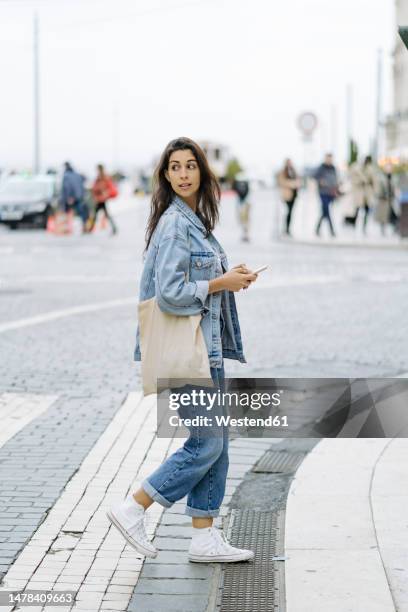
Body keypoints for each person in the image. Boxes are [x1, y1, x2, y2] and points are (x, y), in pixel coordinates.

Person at [107, 137, 258, 563]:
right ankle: (134, 506)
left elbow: (197, 279)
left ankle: (203, 538)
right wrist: (218, 284)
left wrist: (231, 277)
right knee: (206, 444)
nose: (184, 174)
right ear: (166, 175)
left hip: (202, 348)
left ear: (202, 172)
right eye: (175, 167)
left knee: (217, 442)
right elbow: (171, 293)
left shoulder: (194, 221)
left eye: (191, 165)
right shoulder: (175, 225)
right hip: (186, 350)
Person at [314, 153, 340, 237]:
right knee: (326, 210)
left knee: (324, 212)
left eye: (330, 158)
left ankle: (317, 229)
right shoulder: (321, 168)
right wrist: (321, 181)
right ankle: (332, 230)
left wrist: (336, 188)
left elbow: (336, 179)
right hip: (323, 192)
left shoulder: (333, 168)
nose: (329, 160)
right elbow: (315, 176)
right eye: (328, 158)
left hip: (331, 193)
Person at [88, 164, 118, 235]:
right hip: (100, 199)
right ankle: (91, 229)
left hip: (101, 199)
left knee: (98, 214)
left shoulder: (103, 178)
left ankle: (90, 229)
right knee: (99, 214)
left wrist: (97, 190)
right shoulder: (101, 177)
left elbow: (101, 187)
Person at [61, 162, 88, 233]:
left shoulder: (66, 176)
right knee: (81, 211)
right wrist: (82, 195)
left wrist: (70, 197)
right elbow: (82, 185)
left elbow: (67, 187)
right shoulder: (77, 175)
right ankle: (84, 225)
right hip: (79, 196)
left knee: (67, 212)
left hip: (71, 197)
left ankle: (67, 228)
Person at [277, 158, 301, 235]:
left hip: (294, 194)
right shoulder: (282, 172)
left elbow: (298, 180)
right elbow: (281, 182)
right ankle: (286, 228)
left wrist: (296, 184)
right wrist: (292, 184)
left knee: (291, 212)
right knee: (288, 211)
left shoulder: (294, 171)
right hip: (287, 195)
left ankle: (288, 228)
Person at [375, 163, 398, 235]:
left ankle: (395, 229)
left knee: (393, 216)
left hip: (391, 200)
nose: (389, 170)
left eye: (390, 168)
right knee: (383, 216)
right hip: (383, 200)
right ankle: (383, 230)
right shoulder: (381, 177)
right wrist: (380, 195)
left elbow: (394, 188)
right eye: (387, 168)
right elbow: (378, 188)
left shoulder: (393, 177)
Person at [232, 173, 250, 242]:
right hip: (241, 203)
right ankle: (245, 234)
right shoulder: (244, 185)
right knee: (243, 220)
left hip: (244, 204)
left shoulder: (242, 185)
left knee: (245, 220)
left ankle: (246, 234)